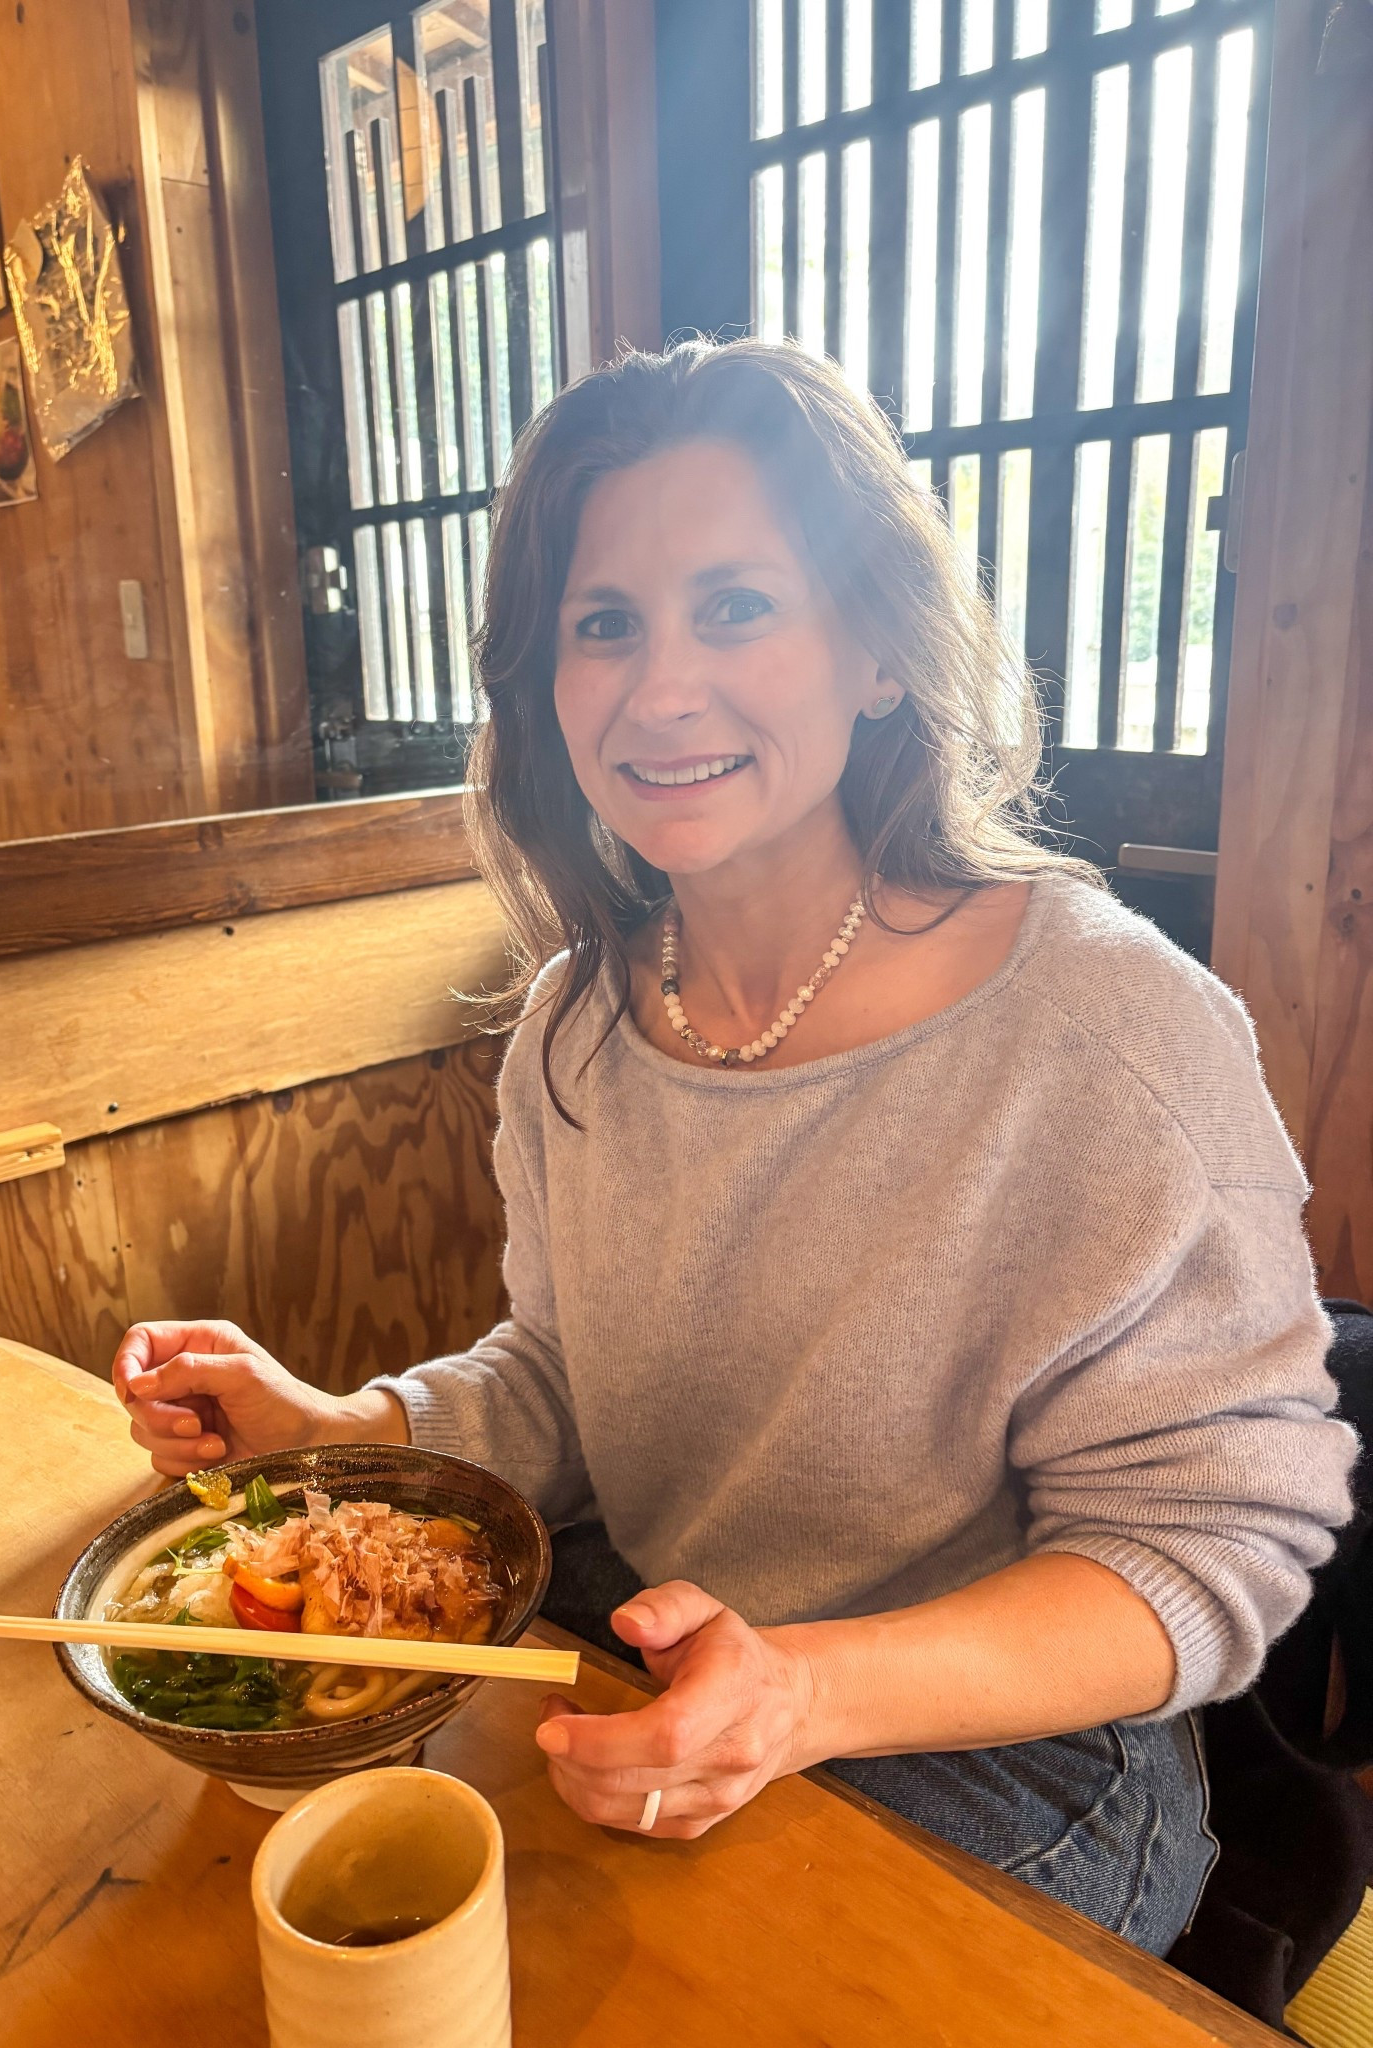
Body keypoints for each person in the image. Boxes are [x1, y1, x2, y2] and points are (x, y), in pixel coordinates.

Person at [114, 340, 1354, 1955]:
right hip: (665, 1639)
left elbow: (1219, 1537)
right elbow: (565, 1375)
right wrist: (346, 1429)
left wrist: (812, 1690)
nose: (659, 687)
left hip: (1013, 1753)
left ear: (879, 653)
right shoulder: (577, 1024)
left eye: (739, 606)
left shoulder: (1114, 1029)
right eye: (603, 623)